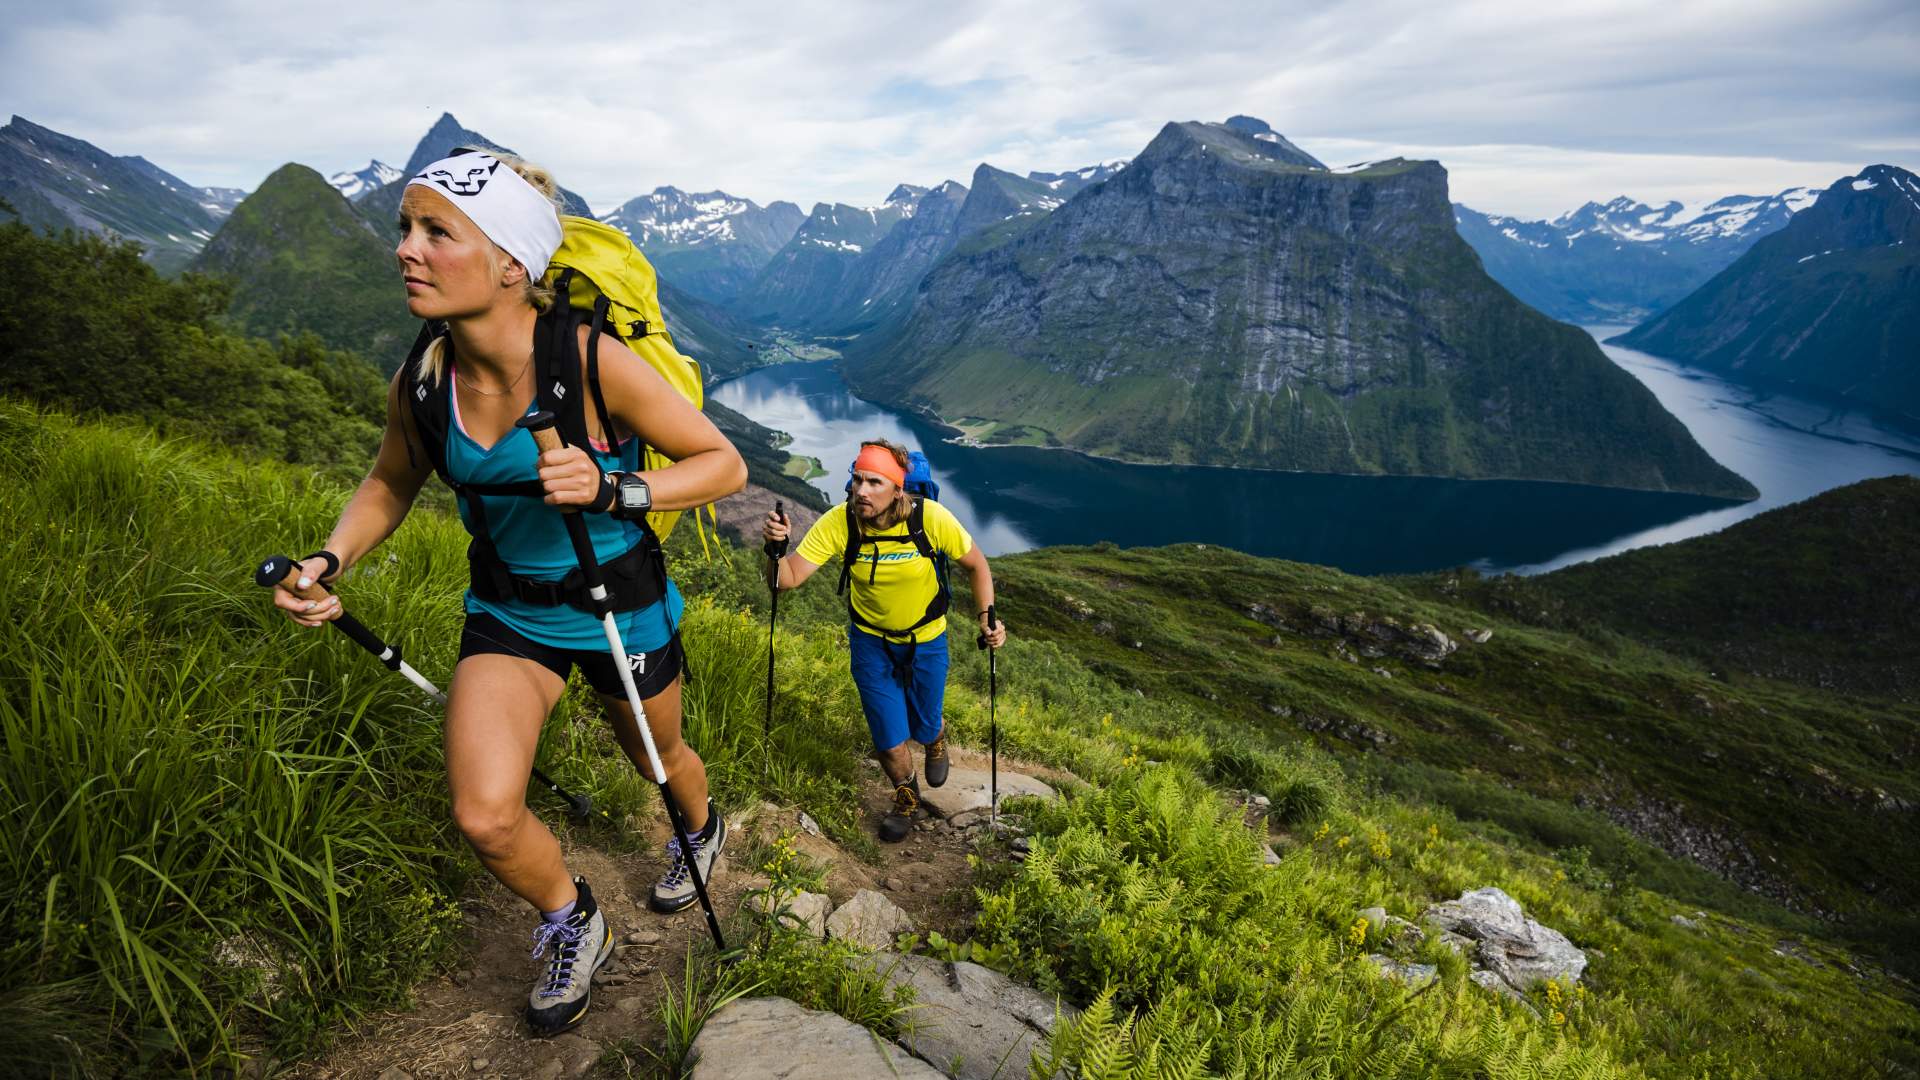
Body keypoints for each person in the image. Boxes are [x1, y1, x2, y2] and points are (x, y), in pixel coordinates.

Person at [269, 150, 745, 1037]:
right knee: (485, 815)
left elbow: (723, 464)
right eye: (406, 229)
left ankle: (703, 826)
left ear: (511, 266)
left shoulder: (592, 362)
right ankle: (576, 919)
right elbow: (389, 482)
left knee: (656, 760)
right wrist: (329, 561)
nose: (406, 250)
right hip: (509, 611)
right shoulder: (424, 377)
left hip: (617, 604)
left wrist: (615, 490)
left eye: (435, 232)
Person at [762, 440, 1006, 841]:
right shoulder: (841, 522)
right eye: (857, 480)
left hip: (927, 639)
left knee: (924, 724)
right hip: (871, 643)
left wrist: (987, 619)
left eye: (874, 481)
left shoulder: (931, 519)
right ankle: (907, 800)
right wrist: (775, 549)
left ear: (897, 488)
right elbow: (784, 581)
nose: (861, 490)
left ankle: (935, 739)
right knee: (889, 740)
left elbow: (976, 564)